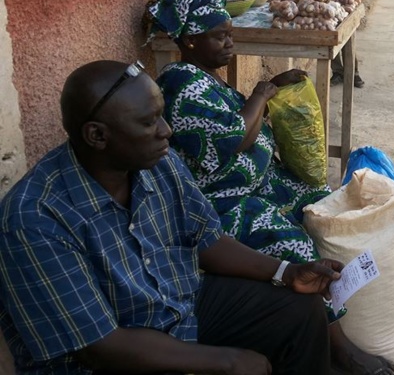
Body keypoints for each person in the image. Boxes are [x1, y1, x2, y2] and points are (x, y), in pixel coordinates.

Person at [0, 60, 341, 375]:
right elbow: (99, 346)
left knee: (300, 310)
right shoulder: (34, 218)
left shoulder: (158, 162)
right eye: (149, 122)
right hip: (108, 356)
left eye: (162, 115)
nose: (166, 131)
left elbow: (207, 238)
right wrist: (226, 361)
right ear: (97, 135)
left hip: (179, 307)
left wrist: (286, 272)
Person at [146, 0, 394, 375]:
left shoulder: (204, 76)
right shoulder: (181, 83)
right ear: (190, 40)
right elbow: (236, 136)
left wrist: (272, 90)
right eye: (219, 36)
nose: (230, 42)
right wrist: (263, 92)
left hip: (257, 183)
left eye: (230, 32)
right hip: (222, 204)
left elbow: (240, 119)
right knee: (295, 243)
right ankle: (338, 350)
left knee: (322, 200)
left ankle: (336, 314)